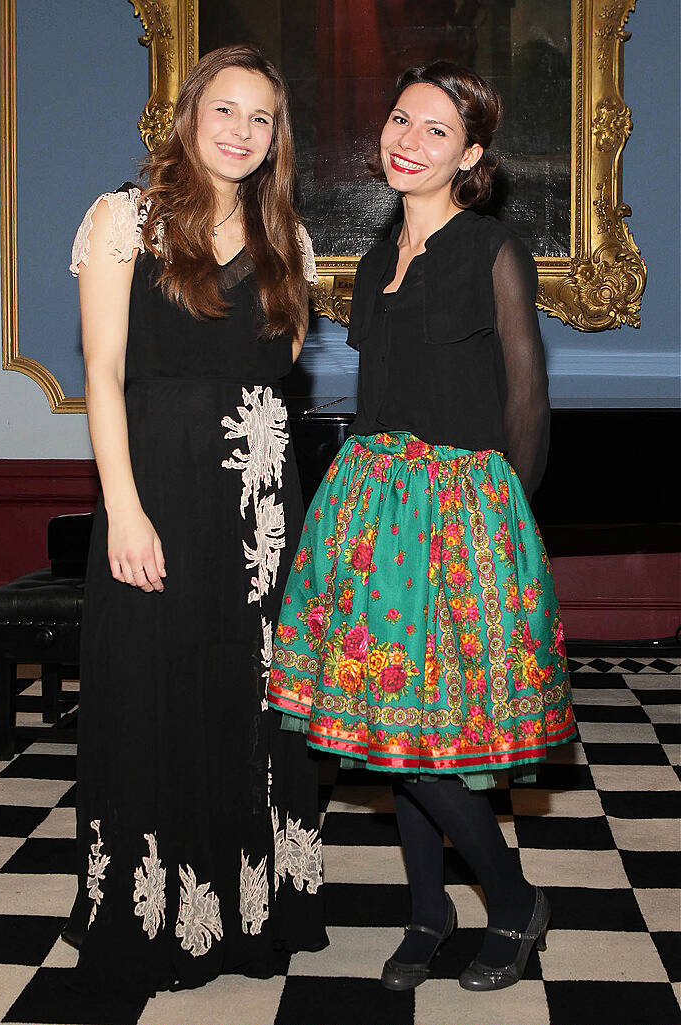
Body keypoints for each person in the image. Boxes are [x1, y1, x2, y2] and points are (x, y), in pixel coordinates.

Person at [268, 60, 575, 993]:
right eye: (401, 120)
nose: (409, 139)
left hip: (462, 517)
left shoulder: (492, 249)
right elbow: (373, 401)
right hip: (370, 511)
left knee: (437, 737)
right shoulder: (368, 262)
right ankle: (428, 913)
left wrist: (503, 527)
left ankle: (515, 901)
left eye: (436, 130)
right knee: (386, 731)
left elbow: (529, 404)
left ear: (470, 155)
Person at [65, 45, 327, 998]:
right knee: (151, 691)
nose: (242, 131)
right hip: (155, 493)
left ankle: (251, 911)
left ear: (276, 136)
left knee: (249, 704)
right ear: (189, 112)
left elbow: (274, 372)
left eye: (261, 118)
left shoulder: (284, 237)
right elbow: (102, 376)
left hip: (260, 511)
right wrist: (125, 509)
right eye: (226, 109)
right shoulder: (122, 218)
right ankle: (148, 917)